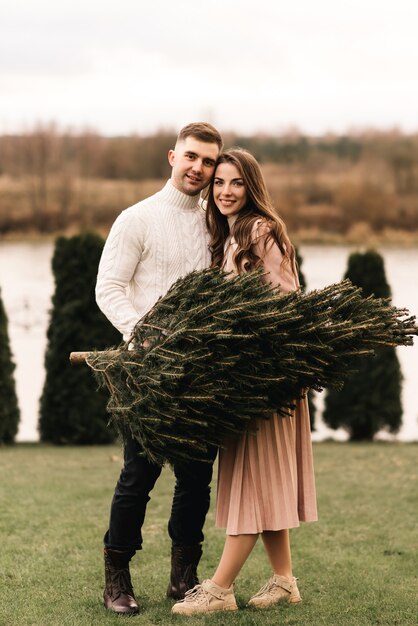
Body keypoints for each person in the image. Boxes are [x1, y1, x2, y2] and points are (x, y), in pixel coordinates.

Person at [171, 149, 318, 615]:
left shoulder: (259, 230)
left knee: (255, 482)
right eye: (219, 184)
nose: (225, 192)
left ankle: (219, 589)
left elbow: (283, 305)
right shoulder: (232, 236)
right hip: (248, 381)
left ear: (250, 187)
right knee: (264, 478)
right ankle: (283, 582)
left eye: (235, 183)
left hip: (266, 381)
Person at [95, 122, 223, 615]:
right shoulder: (137, 219)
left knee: (195, 480)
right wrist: (140, 332)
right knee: (138, 478)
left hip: (201, 375)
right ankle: (117, 579)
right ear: (172, 156)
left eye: (209, 161)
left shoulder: (218, 222)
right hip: (145, 374)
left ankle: (184, 578)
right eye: (192, 156)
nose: (199, 168)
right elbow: (109, 288)